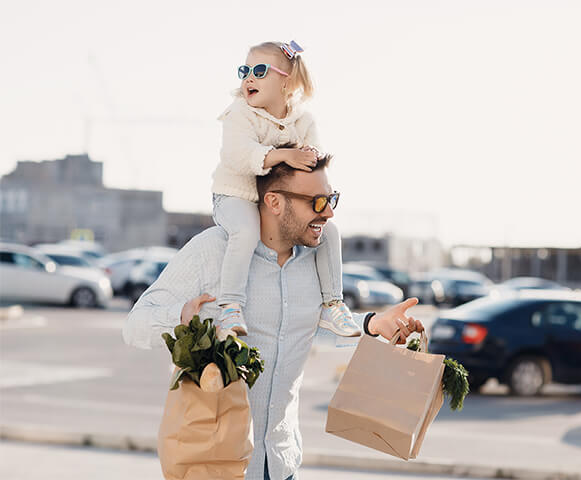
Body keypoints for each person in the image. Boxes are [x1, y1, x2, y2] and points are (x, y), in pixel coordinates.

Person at [123, 154, 424, 480]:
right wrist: (183, 324)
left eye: (332, 198)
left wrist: (372, 324)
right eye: (318, 201)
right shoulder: (213, 251)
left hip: (282, 462)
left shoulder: (315, 261)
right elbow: (135, 325)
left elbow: (304, 327)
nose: (330, 212)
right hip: (218, 463)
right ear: (274, 201)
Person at [211, 40, 359, 338]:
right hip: (235, 194)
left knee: (329, 230)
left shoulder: (303, 119)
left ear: (285, 82)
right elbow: (236, 154)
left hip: (276, 202)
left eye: (260, 70)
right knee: (245, 232)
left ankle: (332, 303)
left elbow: (314, 158)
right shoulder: (239, 113)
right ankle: (230, 306)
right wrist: (284, 154)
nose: (248, 78)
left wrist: (307, 153)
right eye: (245, 70)